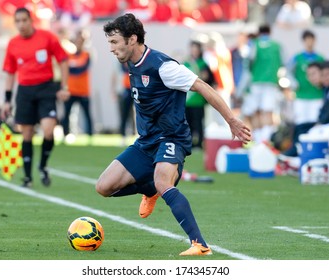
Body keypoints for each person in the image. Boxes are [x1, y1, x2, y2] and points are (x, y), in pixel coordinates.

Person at [97, 13, 251, 256]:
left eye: (115, 42)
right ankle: (149, 190)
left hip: (171, 137)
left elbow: (203, 87)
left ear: (132, 39)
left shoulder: (164, 67)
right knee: (103, 187)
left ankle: (200, 245)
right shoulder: (130, 62)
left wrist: (231, 120)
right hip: (146, 141)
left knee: (163, 181)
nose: (111, 48)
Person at [0, 7, 69, 188]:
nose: (21, 24)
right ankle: (28, 177)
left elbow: (63, 60)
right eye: (18, 21)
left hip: (46, 88)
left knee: (48, 130)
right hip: (24, 91)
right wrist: (7, 100)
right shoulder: (13, 43)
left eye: (24, 20)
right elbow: (9, 73)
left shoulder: (47, 37)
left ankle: (43, 166)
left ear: (31, 21)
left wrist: (64, 86)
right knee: (27, 133)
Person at [282, 30, 324, 156]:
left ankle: (312, 150)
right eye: (307, 40)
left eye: (311, 40)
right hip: (301, 96)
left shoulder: (320, 58)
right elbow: (287, 71)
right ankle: (298, 149)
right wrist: (293, 82)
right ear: (304, 41)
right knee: (301, 122)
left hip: (316, 96)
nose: (309, 42)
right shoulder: (297, 58)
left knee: (314, 122)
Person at [246, 24, 284, 143]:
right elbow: (283, 63)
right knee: (268, 111)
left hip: (256, 83)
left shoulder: (254, 45)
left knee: (256, 111)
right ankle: (266, 139)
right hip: (271, 82)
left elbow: (248, 64)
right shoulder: (277, 46)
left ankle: (258, 138)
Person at [61, 29, 93, 139]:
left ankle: (90, 135)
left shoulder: (87, 55)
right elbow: (65, 68)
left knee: (87, 114)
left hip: (83, 90)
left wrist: (72, 68)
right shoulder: (68, 55)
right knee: (66, 114)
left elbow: (81, 69)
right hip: (70, 90)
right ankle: (65, 134)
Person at [183, 40, 215, 149]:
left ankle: (199, 143)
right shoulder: (186, 63)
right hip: (186, 100)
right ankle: (189, 143)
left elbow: (208, 78)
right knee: (187, 124)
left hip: (198, 99)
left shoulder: (203, 63)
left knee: (198, 123)